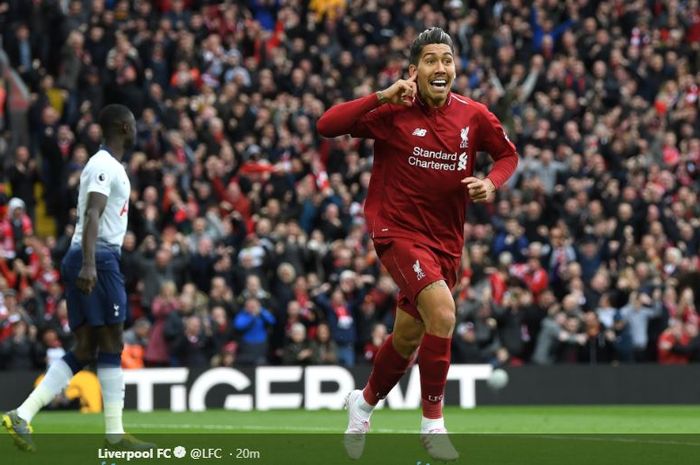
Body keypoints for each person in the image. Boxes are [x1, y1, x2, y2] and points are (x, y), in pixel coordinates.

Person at [317, 27, 518, 461]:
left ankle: (363, 403)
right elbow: (327, 125)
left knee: (407, 338)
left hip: (446, 242)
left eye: (447, 59)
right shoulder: (395, 110)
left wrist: (490, 183)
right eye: (431, 60)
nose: (440, 67)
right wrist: (379, 97)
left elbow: (508, 156)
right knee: (444, 313)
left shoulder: (474, 115)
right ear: (414, 70)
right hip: (396, 232)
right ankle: (432, 425)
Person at [3, 104, 153, 451]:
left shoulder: (107, 165)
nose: (135, 130)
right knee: (113, 342)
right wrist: (89, 263)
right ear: (121, 127)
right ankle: (115, 435)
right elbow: (92, 213)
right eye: (131, 124)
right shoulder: (103, 165)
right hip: (97, 257)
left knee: (86, 347)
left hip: (89, 256)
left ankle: (22, 414)